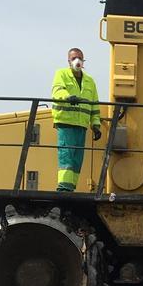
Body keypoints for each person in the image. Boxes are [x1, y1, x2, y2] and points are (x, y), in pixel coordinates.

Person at [50, 48, 102, 191]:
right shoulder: (61, 74)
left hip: (81, 125)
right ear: (69, 61)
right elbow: (57, 91)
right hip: (66, 122)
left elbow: (94, 105)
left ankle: (70, 188)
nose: (77, 61)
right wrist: (68, 97)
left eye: (79, 58)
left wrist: (96, 124)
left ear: (83, 61)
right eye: (73, 58)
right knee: (67, 157)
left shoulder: (90, 81)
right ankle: (64, 189)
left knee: (77, 160)